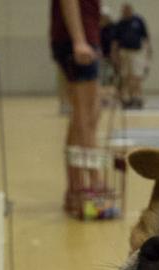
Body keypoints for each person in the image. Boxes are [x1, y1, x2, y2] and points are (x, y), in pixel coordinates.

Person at [50, 0, 103, 217]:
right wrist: (79, 40)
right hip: (78, 41)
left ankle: (75, 189)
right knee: (85, 118)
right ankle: (94, 185)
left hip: (86, 37)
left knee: (86, 116)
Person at [112, 3, 150, 109]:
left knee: (136, 76)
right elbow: (115, 42)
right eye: (124, 10)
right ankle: (126, 99)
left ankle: (137, 98)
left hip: (136, 52)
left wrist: (149, 52)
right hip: (124, 52)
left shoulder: (138, 21)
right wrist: (115, 56)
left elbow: (146, 37)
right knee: (125, 77)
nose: (126, 12)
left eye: (128, 10)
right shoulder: (119, 24)